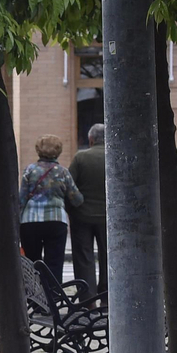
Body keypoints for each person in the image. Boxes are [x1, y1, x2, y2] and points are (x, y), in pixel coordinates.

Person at [18, 134, 83, 282]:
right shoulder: (63, 172)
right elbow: (77, 199)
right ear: (58, 150)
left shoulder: (30, 170)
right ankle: (53, 297)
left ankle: (36, 300)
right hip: (56, 221)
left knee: (32, 263)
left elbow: (21, 199)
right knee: (54, 262)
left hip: (30, 222)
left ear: (38, 150)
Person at [68, 124, 108, 301]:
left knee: (84, 257)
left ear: (91, 139)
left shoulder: (80, 158)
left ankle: (88, 299)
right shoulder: (115, 156)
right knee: (109, 257)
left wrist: (72, 209)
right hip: (109, 218)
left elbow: (69, 186)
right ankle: (107, 297)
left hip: (82, 216)